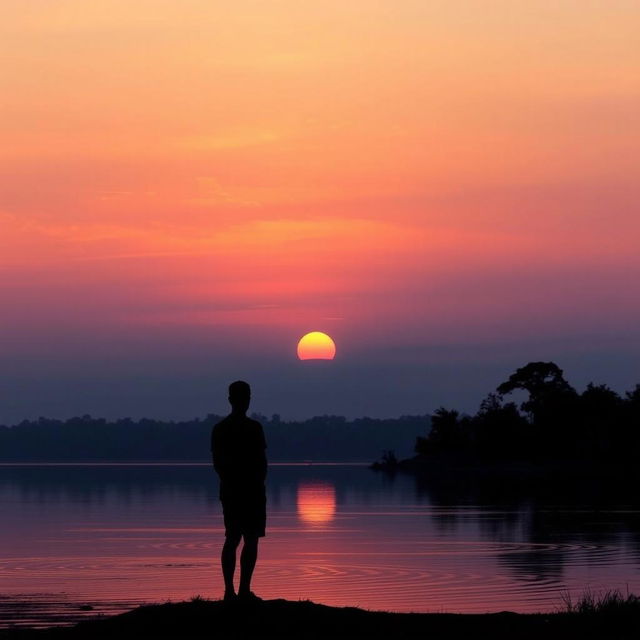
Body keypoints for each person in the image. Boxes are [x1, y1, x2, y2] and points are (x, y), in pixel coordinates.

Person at [211, 381, 267, 602]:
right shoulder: (224, 428)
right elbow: (219, 464)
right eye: (244, 397)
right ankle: (230, 591)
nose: (245, 401)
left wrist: (256, 483)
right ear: (233, 400)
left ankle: (242, 590)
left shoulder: (252, 428)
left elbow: (262, 462)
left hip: (248, 490)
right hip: (238, 491)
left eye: (247, 397)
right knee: (235, 538)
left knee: (248, 539)